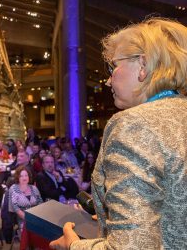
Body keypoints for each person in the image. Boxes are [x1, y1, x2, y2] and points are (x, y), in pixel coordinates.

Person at [50, 18, 187, 249]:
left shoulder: (134, 124)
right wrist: (113, 218)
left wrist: (73, 246)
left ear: (142, 65)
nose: (108, 80)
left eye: (113, 67)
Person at [8, 166, 43, 230]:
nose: (24, 178)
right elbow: (16, 208)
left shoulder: (34, 188)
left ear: (29, 177)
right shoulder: (14, 189)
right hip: (21, 218)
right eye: (21, 176)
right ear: (17, 177)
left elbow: (40, 203)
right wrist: (29, 219)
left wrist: (38, 217)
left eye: (26, 175)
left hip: (36, 216)